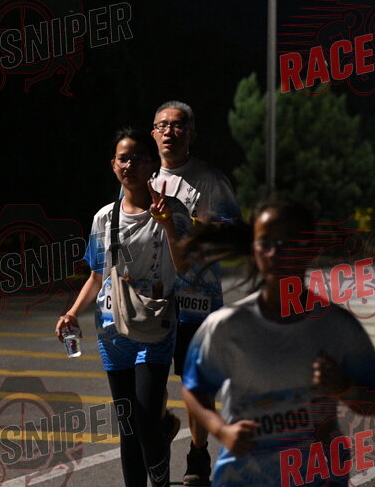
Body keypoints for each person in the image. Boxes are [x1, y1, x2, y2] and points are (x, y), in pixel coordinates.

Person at [181, 198, 375, 486]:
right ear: (254, 250)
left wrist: (344, 386)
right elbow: (193, 388)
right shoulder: (226, 325)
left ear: (311, 248)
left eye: (290, 242)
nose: (277, 252)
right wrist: (221, 430)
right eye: (266, 243)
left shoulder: (338, 327)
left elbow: (371, 404)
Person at [55, 128, 190, 487]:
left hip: (155, 325)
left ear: (152, 165)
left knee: (146, 419)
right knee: (128, 424)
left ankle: (160, 472)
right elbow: (97, 277)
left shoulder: (173, 211)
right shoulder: (104, 218)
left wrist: (168, 226)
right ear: (113, 165)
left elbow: (185, 266)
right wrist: (72, 313)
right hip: (112, 330)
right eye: (122, 158)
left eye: (137, 158)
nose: (129, 165)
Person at [149, 100, 240, 486]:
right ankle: (163, 424)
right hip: (152, 303)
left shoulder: (210, 180)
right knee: (148, 385)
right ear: (153, 133)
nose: (169, 132)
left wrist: (200, 227)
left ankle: (198, 454)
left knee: (194, 385)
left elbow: (233, 235)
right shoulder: (143, 179)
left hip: (197, 303)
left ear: (191, 133)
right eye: (162, 125)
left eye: (178, 125)